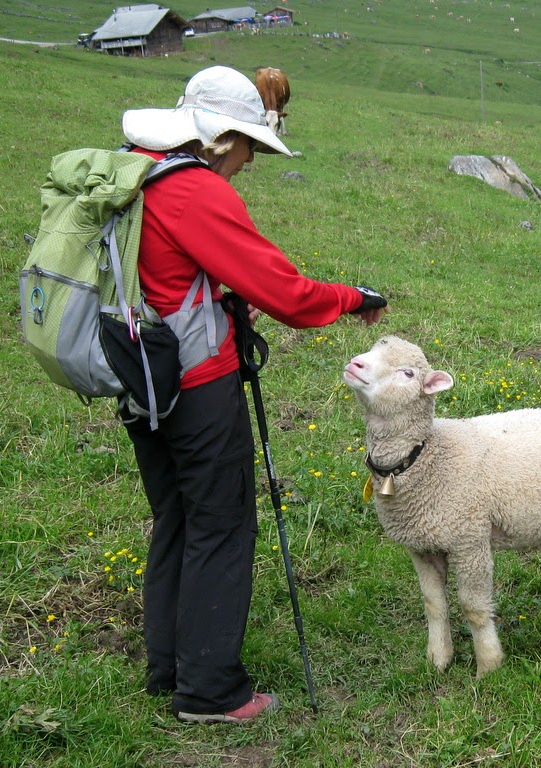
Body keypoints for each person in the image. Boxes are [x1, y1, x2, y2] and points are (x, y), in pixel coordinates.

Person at [118, 66, 387, 723]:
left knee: (177, 519)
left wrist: (213, 295)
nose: (251, 162)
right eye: (250, 148)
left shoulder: (134, 168)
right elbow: (287, 295)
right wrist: (357, 299)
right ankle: (210, 692)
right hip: (198, 386)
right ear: (220, 139)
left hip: (139, 373)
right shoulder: (194, 191)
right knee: (222, 524)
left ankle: (168, 669)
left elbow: (163, 272)